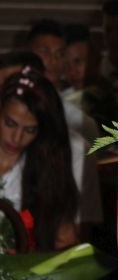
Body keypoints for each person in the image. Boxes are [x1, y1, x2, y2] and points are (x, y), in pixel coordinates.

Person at [0, 69, 79, 249]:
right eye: (10, 123)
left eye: (29, 130)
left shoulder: (47, 173)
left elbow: (66, 243)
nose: (17, 138)